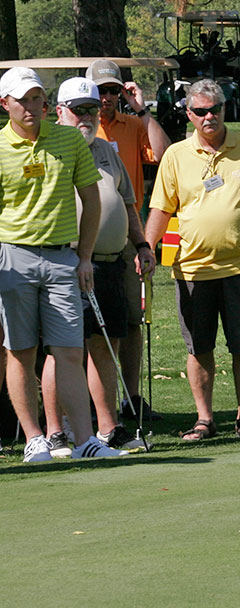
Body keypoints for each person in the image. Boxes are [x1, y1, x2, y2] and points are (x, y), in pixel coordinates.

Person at [145, 79, 240, 441]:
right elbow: (160, 209)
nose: (209, 116)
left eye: (216, 109)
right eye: (201, 111)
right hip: (192, 270)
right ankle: (204, 420)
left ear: (225, 109)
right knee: (199, 349)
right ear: (189, 114)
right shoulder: (176, 155)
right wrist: (146, 249)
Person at [0, 67, 127, 461]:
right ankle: (35, 438)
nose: (31, 107)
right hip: (13, 255)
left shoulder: (69, 139)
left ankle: (87, 440)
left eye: (37, 98)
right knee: (21, 351)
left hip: (63, 259)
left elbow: (91, 199)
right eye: (23, 100)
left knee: (69, 351)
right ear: (5, 104)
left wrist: (85, 256)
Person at [41, 77, 156, 456]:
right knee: (63, 349)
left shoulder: (107, 151)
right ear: (60, 112)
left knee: (105, 345)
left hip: (108, 262)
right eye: (78, 110)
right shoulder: (50, 147)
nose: (86, 117)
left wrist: (141, 244)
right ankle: (56, 432)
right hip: (65, 261)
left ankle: (108, 428)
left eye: (91, 109)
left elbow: (126, 204)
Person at [86, 59, 171, 422]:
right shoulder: (79, 127)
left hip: (126, 236)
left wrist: (142, 108)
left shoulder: (133, 124)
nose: (106, 98)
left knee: (130, 322)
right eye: (100, 91)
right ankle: (92, 404)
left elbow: (164, 154)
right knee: (89, 328)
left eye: (112, 91)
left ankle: (131, 398)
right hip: (82, 243)